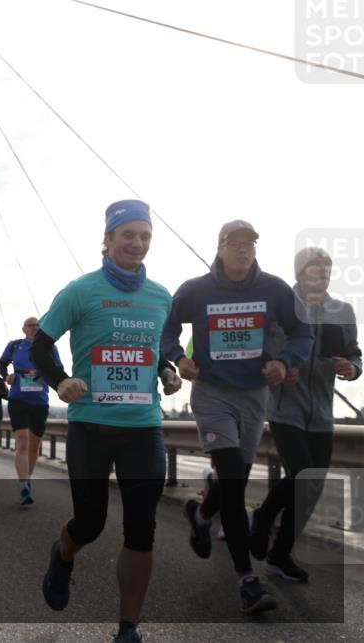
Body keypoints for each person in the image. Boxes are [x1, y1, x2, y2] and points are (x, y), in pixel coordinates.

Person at [32, 200, 181, 643]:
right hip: (92, 428)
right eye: (128, 235)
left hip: (143, 428)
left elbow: (153, 352)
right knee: (91, 523)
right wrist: (60, 382)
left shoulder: (160, 296)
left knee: (141, 529)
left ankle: (128, 628)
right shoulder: (80, 291)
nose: (137, 244)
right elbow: (40, 347)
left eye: (145, 237)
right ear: (108, 240)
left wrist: (167, 371)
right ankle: (63, 555)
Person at [161, 219, 312, 614]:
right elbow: (166, 330)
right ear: (220, 247)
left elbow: (302, 333)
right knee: (231, 478)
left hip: (255, 396)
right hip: (212, 394)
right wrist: (178, 358)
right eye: (236, 243)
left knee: (234, 480)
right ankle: (247, 580)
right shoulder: (195, 290)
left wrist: (285, 360)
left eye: (251, 243)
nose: (244, 250)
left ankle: (201, 512)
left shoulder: (275, 290)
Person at [249, 247, 361, 581]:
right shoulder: (280, 307)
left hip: (322, 413)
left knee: (310, 486)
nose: (323, 271)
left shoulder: (342, 310)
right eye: (316, 266)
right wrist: (280, 367)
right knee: (302, 473)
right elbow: (258, 351)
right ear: (300, 272)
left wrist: (351, 369)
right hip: (284, 408)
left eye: (328, 266)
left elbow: (354, 353)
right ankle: (264, 516)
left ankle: (279, 556)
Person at [0, 316, 61, 504]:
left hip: (40, 402)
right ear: (23, 328)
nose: (34, 328)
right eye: (30, 325)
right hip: (18, 400)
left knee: (34, 445)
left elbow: (58, 368)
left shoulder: (50, 347)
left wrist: (55, 380)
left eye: (37, 325)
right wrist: (6, 376)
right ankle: (23, 483)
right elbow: (2, 364)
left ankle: (27, 479)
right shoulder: (15, 345)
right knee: (23, 441)